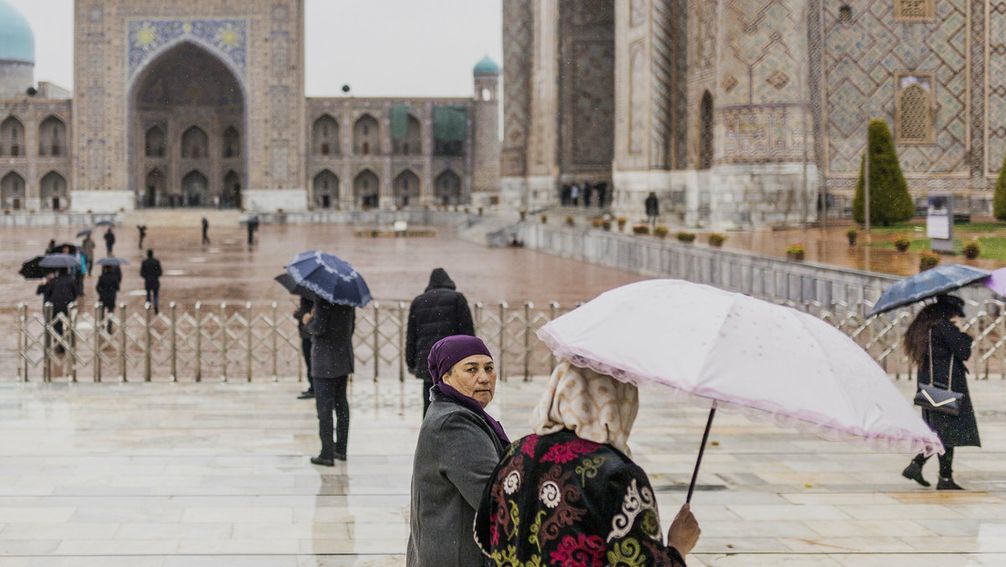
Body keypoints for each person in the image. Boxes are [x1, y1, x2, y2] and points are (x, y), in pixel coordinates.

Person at [475, 361, 701, 566]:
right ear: (619, 401)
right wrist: (678, 547)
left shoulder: (517, 452)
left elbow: (486, 535)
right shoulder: (618, 474)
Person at [407, 335, 509, 567]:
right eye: (471, 369)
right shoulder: (455, 422)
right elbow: (493, 498)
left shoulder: (457, 412)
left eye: (489, 368)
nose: (484, 378)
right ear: (446, 377)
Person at [901, 295, 980, 490]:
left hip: (930, 388)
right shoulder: (943, 327)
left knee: (938, 431)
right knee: (947, 433)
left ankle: (917, 465)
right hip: (946, 387)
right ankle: (944, 478)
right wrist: (965, 335)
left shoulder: (924, 327)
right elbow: (964, 351)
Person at [406, 268, 476, 416]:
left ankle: (430, 434)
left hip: (427, 363)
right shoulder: (457, 299)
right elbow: (468, 333)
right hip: (452, 362)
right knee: (455, 402)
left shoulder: (419, 301)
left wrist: (411, 363)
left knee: (429, 402)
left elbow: (411, 337)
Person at [305, 299, 356, 466]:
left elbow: (318, 328)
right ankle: (341, 449)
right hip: (343, 358)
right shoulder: (348, 301)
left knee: (324, 408)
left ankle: (326, 453)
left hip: (325, 362)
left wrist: (308, 321)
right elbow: (351, 328)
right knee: (341, 403)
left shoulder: (322, 301)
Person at [36, 269, 77, 353]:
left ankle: (59, 345)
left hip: (55, 307)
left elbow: (47, 294)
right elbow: (75, 294)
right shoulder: (70, 280)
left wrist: (45, 284)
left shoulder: (54, 281)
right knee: (68, 325)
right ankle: (66, 345)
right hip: (66, 307)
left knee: (57, 326)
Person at [293, 296, 315, 399]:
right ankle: (313, 387)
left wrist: (298, 314)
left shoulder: (311, 296)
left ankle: (314, 388)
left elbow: (307, 315)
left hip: (309, 334)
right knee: (310, 362)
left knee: (311, 362)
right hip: (307, 334)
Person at [96, 264, 120, 333]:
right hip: (111, 298)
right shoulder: (114, 277)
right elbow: (117, 287)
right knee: (110, 313)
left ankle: (102, 326)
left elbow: (97, 287)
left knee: (102, 313)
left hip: (103, 297)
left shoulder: (102, 277)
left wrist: (101, 293)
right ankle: (109, 328)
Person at [140, 249, 163, 315]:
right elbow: (160, 272)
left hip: (148, 281)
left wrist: (146, 276)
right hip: (155, 280)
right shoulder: (156, 261)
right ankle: (155, 305)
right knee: (155, 294)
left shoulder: (144, 262)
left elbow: (142, 273)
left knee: (148, 295)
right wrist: (155, 275)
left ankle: (148, 307)